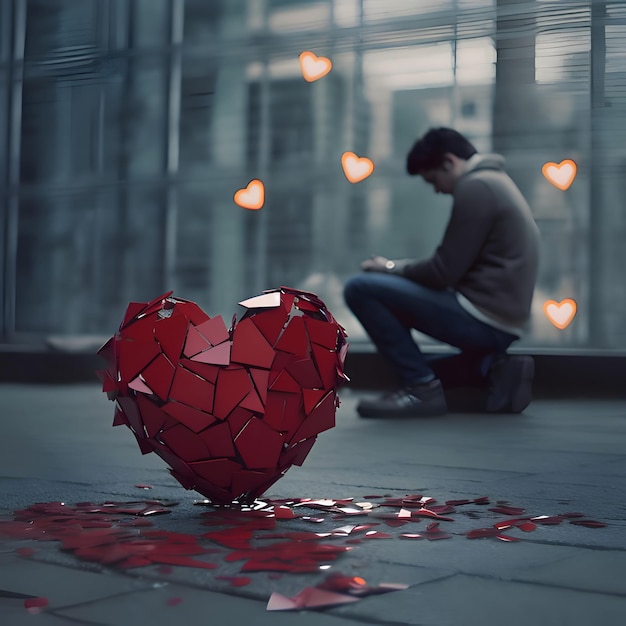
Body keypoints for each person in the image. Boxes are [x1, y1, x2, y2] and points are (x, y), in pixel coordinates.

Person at [344, 127, 540, 417]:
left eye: (433, 179)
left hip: (483, 317)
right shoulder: (496, 182)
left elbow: (441, 272)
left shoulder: (477, 187)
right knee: (425, 366)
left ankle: (420, 389)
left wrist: (388, 267)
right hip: (503, 320)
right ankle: (491, 370)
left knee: (360, 288)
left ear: (449, 162)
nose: (437, 189)